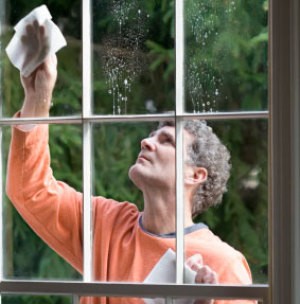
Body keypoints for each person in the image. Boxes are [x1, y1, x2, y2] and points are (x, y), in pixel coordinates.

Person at [6, 52, 255, 304]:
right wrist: (38, 99)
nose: (146, 141)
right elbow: (30, 189)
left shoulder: (224, 265)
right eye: (152, 135)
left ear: (196, 174)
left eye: (166, 140)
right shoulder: (105, 224)